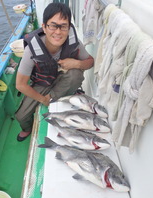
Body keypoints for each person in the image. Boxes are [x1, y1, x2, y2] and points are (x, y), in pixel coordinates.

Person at [15, 2, 94, 141]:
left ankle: (54, 100)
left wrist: (77, 63)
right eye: (53, 25)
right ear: (44, 27)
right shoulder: (31, 50)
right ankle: (27, 128)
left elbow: (90, 61)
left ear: (69, 27)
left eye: (63, 26)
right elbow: (21, 85)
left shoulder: (74, 43)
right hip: (41, 83)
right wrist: (42, 99)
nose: (58, 32)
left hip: (63, 80)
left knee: (75, 73)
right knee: (21, 116)